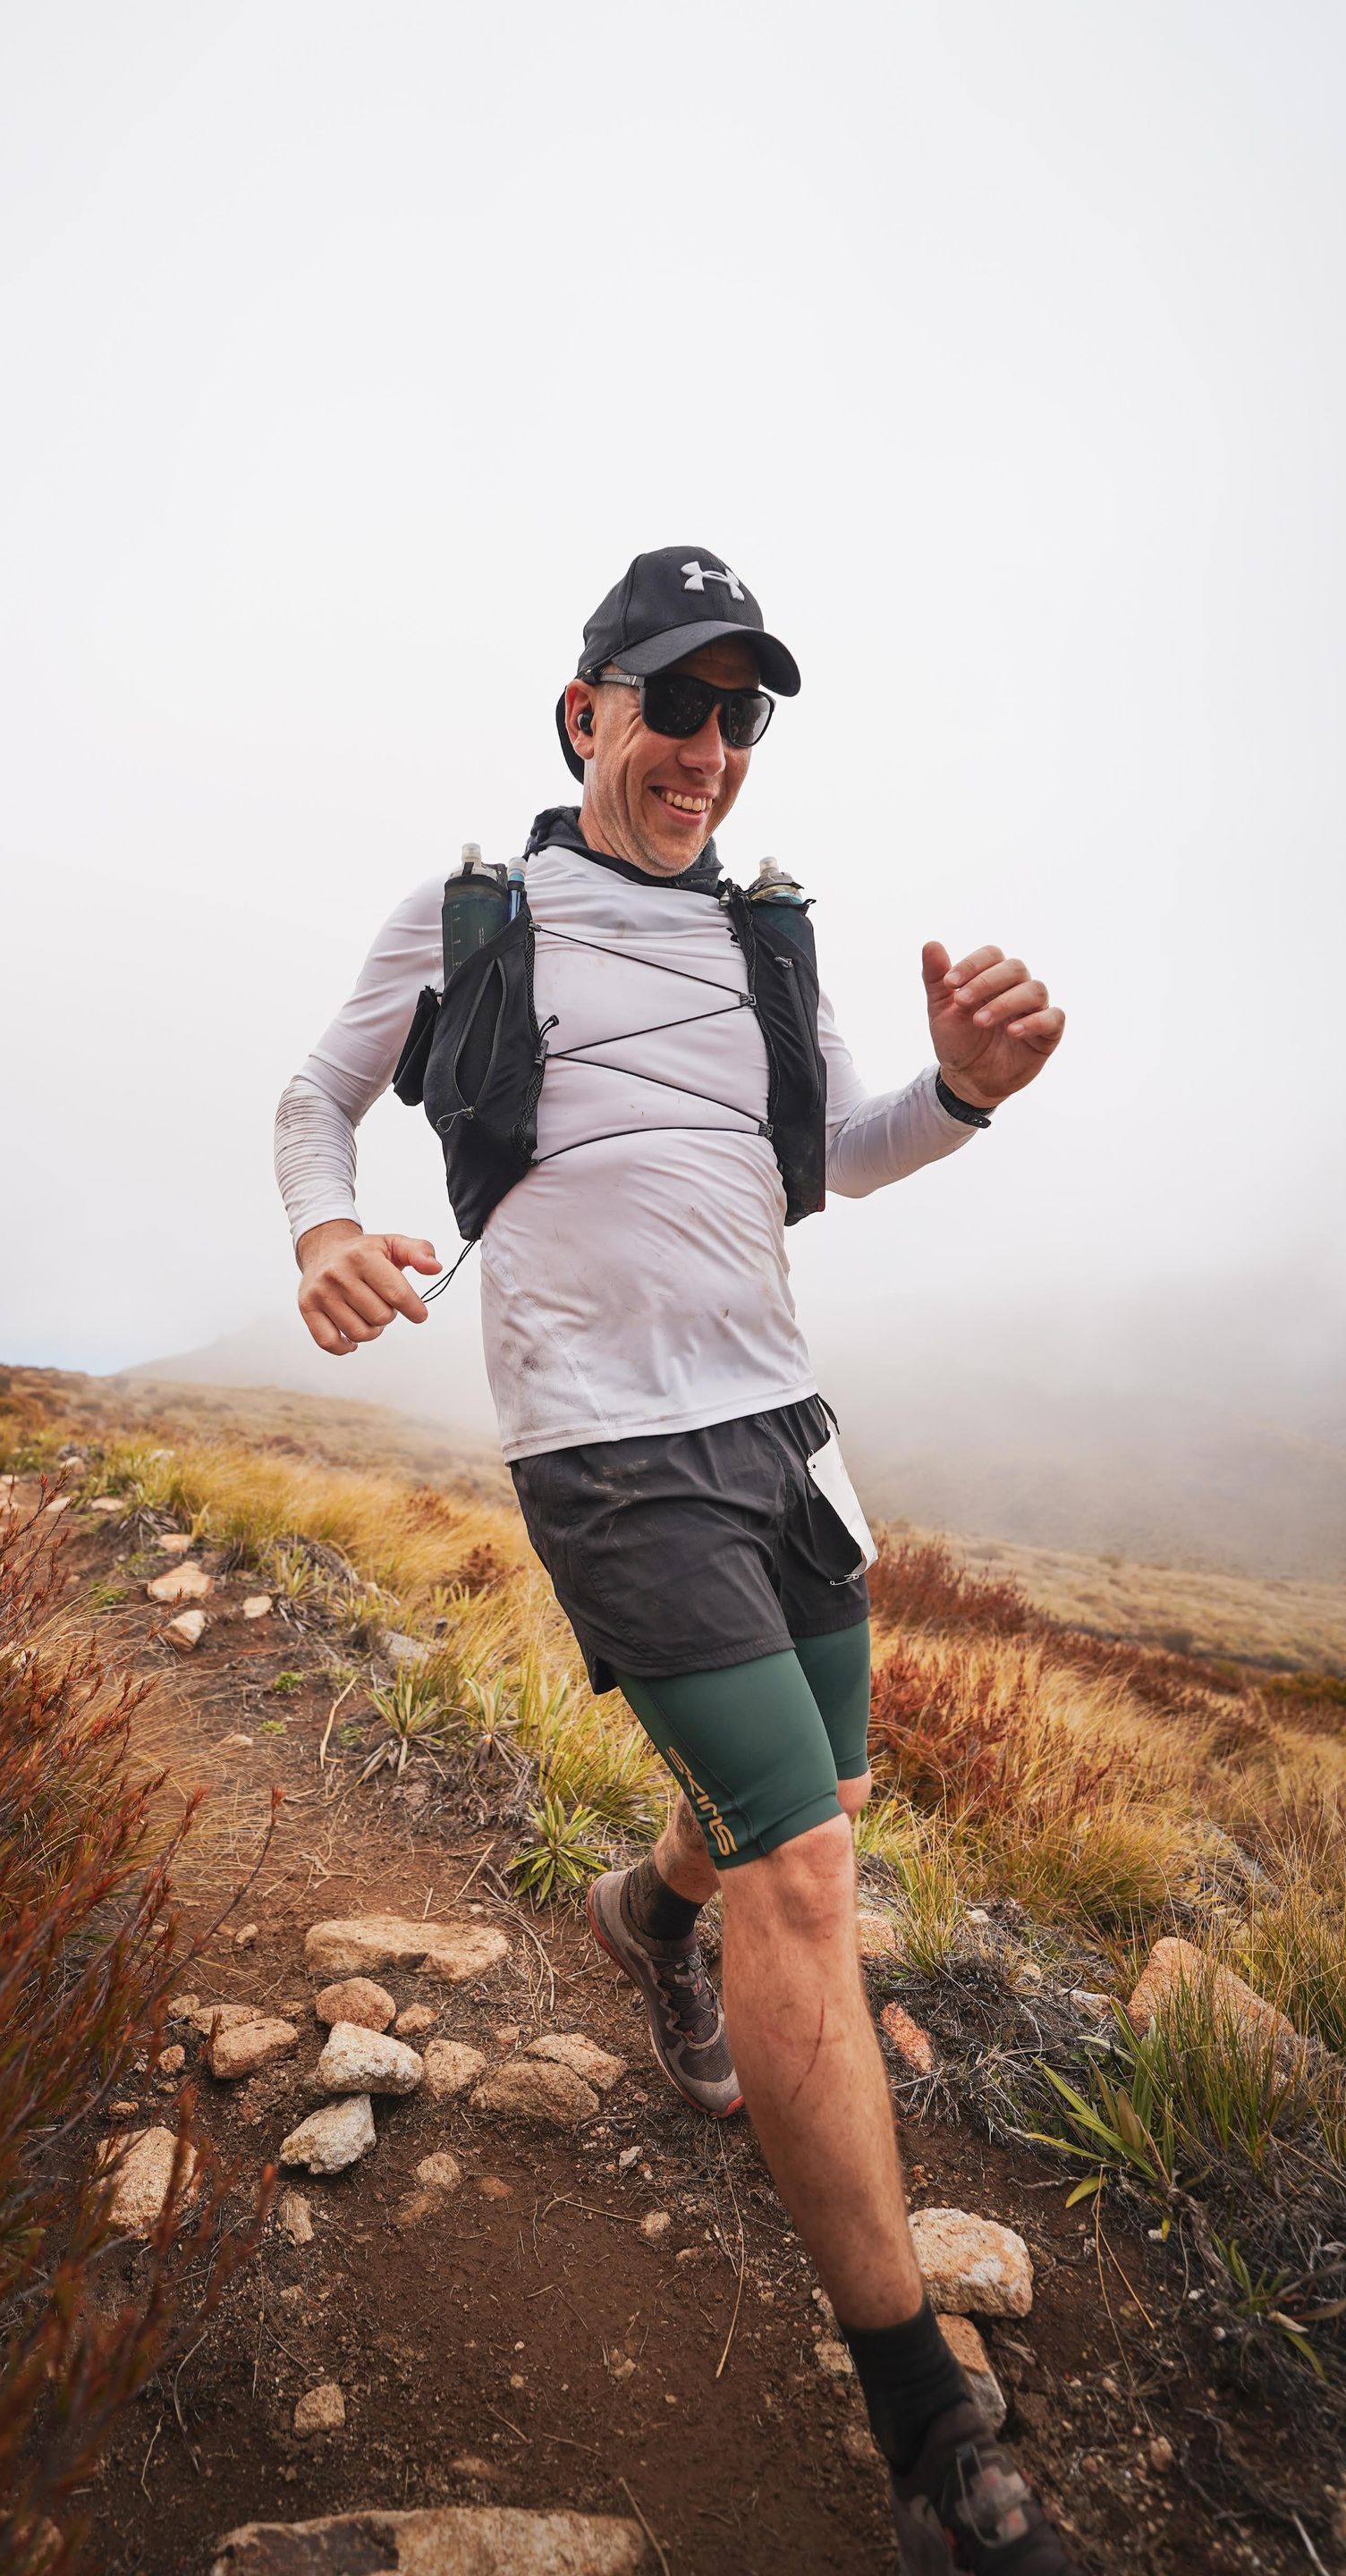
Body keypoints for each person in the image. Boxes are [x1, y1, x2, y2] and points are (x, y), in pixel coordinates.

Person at [274, 547, 1080, 2575]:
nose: (711, 750)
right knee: (811, 1869)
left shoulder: (759, 940)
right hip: (609, 1446)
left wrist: (970, 1092)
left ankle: (650, 1917)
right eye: (677, 705)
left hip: (782, 1438)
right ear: (588, 715)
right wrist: (320, 1232)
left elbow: (824, 1161)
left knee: (815, 1803)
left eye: (745, 718)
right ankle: (928, 2429)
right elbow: (318, 1096)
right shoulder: (483, 910)